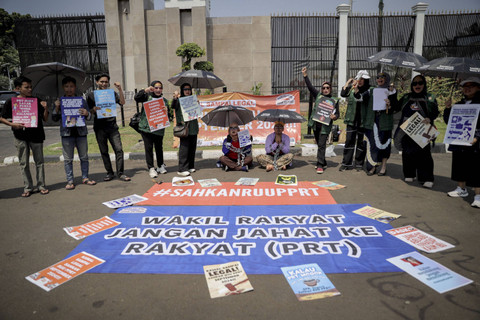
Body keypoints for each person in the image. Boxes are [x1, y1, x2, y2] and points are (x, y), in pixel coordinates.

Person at [0, 76, 49, 197]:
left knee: (39, 162)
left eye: (31, 87)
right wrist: (12, 124)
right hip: (20, 136)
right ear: (17, 88)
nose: (29, 89)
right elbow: (1, 118)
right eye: (26, 87)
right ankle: (28, 187)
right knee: (24, 163)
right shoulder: (11, 102)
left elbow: (45, 119)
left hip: (37, 135)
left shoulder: (36, 100)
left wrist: (45, 108)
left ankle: (41, 185)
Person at [52, 76, 96, 190]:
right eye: (66, 86)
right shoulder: (59, 102)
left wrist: (87, 113)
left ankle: (85, 177)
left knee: (84, 157)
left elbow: (89, 117)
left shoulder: (81, 100)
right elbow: (54, 118)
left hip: (81, 133)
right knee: (68, 159)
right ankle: (70, 180)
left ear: (75, 87)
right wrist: (56, 108)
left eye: (71, 86)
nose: (69, 89)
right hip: (66, 134)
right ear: (63, 87)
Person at [396, 75, 439, 188]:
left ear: (424, 84)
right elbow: (395, 108)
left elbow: (435, 112)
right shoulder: (406, 97)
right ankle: (409, 173)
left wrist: (430, 118)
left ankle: (426, 178)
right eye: (414, 83)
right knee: (407, 152)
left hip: (423, 131)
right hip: (407, 131)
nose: (417, 85)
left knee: (424, 155)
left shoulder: (429, 98)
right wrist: (390, 97)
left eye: (420, 83)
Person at [443, 77, 480, 208]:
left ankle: (478, 195)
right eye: (465, 86)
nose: (467, 88)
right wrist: (448, 108)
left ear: (478, 88)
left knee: (476, 168)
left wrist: (477, 137)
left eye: (471, 86)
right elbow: (449, 122)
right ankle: (461, 189)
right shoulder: (458, 105)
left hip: (475, 143)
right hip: (459, 141)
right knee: (459, 164)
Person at [86, 73, 130, 182]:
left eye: (106, 82)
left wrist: (120, 89)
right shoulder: (91, 95)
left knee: (119, 150)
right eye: (102, 81)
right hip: (99, 127)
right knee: (104, 151)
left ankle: (120, 173)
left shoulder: (112, 93)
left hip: (112, 126)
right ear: (97, 82)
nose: (104, 84)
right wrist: (93, 109)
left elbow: (122, 102)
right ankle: (109, 173)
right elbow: (89, 111)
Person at [355, 71, 399, 176]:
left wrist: (390, 103)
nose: (379, 79)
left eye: (382, 77)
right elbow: (360, 98)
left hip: (385, 121)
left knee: (384, 144)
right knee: (372, 144)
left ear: (387, 79)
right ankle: (373, 166)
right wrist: (356, 91)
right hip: (373, 121)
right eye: (378, 77)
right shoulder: (372, 91)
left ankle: (383, 167)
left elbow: (396, 107)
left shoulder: (391, 91)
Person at [302, 66, 339, 174]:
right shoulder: (318, 96)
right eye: (324, 88)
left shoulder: (334, 101)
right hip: (316, 125)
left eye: (327, 88)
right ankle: (323, 161)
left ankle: (319, 165)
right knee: (319, 144)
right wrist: (305, 75)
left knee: (322, 145)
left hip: (325, 127)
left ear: (330, 89)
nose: (325, 89)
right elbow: (310, 87)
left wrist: (334, 117)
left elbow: (337, 114)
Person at [134, 80, 173, 178]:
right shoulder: (147, 97)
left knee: (159, 148)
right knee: (149, 148)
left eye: (160, 88)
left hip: (159, 128)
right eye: (156, 88)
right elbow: (137, 98)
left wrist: (167, 112)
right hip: (146, 128)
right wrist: (145, 90)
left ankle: (160, 165)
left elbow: (169, 118)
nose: (158, 90)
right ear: (152, 88)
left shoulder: (164, 101)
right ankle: (151, 168)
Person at [338, 70, 371, 171]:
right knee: (349, 141)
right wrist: (348, 83)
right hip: (351, 120)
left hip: (362, 121)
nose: (360, 81)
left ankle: (359, 164)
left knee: (361, 143)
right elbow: (343, 94)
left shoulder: (368, 90)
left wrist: (356, 89)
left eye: (363, 79)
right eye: (359, 79)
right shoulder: (352, 89)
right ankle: (346, 163)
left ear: (366, 80)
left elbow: (361, 98)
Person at [171, 83, 198, 176]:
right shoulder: (179, 100)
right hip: (184, 128)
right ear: (182, 90)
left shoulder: (193, 100)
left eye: (189, 89)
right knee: (184, 148)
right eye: (185, 89)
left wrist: (197, 104)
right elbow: (173, 106)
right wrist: (175, 97)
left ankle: (190, 166)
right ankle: (182, 169)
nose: (187, 91)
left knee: (192, 148)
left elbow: (197, 113)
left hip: (193, 127)